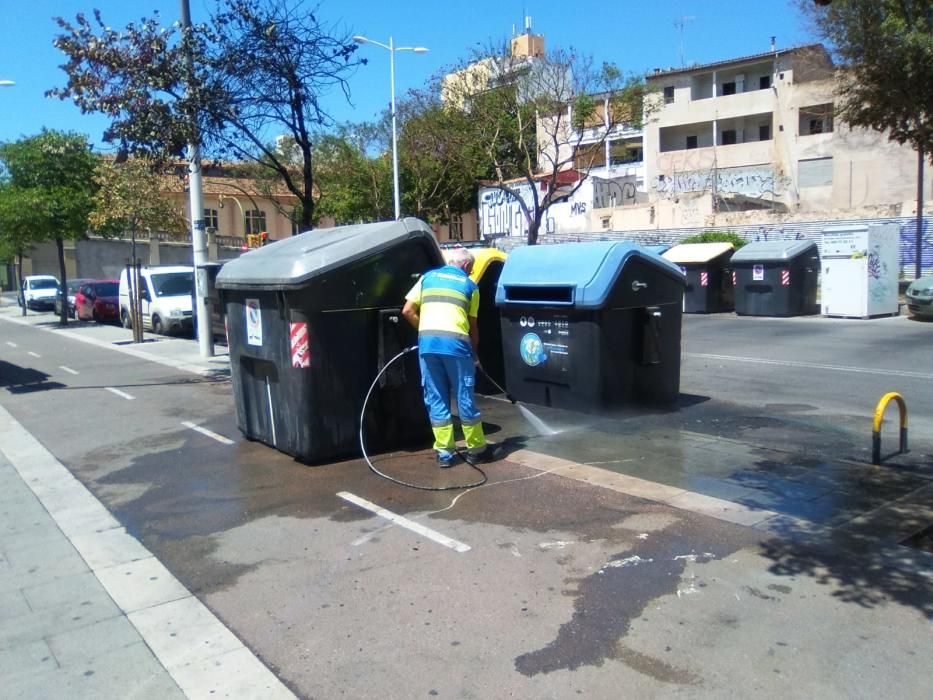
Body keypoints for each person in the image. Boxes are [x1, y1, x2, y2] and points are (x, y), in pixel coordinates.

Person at [402, 248, 502, 467]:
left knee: (435, 397)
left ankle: (445, 454)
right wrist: (475, 354)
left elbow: (407, 311)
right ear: (466, 266)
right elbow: (473, 326)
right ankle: (477, 449)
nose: (471, 272)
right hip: (457, 346)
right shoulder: (470, 286)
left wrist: (427, 330)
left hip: (428, 346)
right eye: (472, 269)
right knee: (464, 396)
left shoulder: (427, 278)